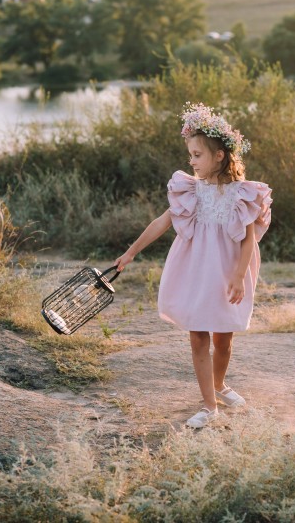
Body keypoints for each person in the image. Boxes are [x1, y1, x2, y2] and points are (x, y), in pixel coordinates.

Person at [113, 102, 272, 428]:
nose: (192, 161)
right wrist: (131, 252)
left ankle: (220, 385)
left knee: (223, 340)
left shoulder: (242, 193)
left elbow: (248, 238)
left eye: (197, 155)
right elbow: (161, 222)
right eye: (190, 155)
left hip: (228, 272)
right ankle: (209, 406)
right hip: (195, 271)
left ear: (219, 156)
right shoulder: (190, 190)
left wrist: (240, 275)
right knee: (198, 337)